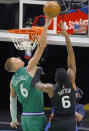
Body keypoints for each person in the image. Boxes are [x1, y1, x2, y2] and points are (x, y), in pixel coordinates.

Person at [4, 17, 52, 131]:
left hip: (25, 118)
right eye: (15, 59)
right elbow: (41, 46)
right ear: (15, 66)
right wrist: (46, 27)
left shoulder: (12, 82)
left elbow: (13, 103)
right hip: (36, 117)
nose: (18, 57)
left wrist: (14, 119)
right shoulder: (29, 67)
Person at [33, 21, 77, 131]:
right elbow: (71, 58)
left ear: (55, 80)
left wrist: (38, 71)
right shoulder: (72, 83)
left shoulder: (51, 88)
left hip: (57, 123)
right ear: (68, 77)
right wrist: (66, 36)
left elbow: (35, 85)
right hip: (71, 123)